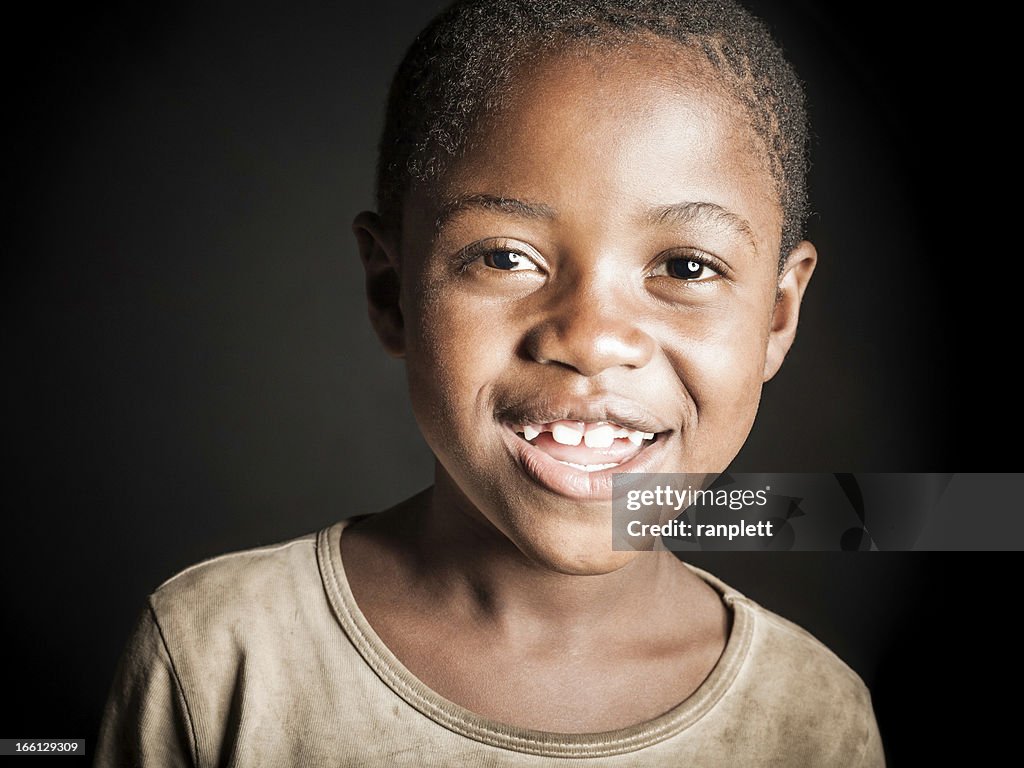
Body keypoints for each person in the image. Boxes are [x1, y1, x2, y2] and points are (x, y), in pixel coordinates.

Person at [95, 0, 885, 765]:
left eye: (685, 267)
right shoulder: (217, 653)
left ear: (777, 318)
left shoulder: (814, 715)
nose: (591, 340)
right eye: (505, 257)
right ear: (390, 292)